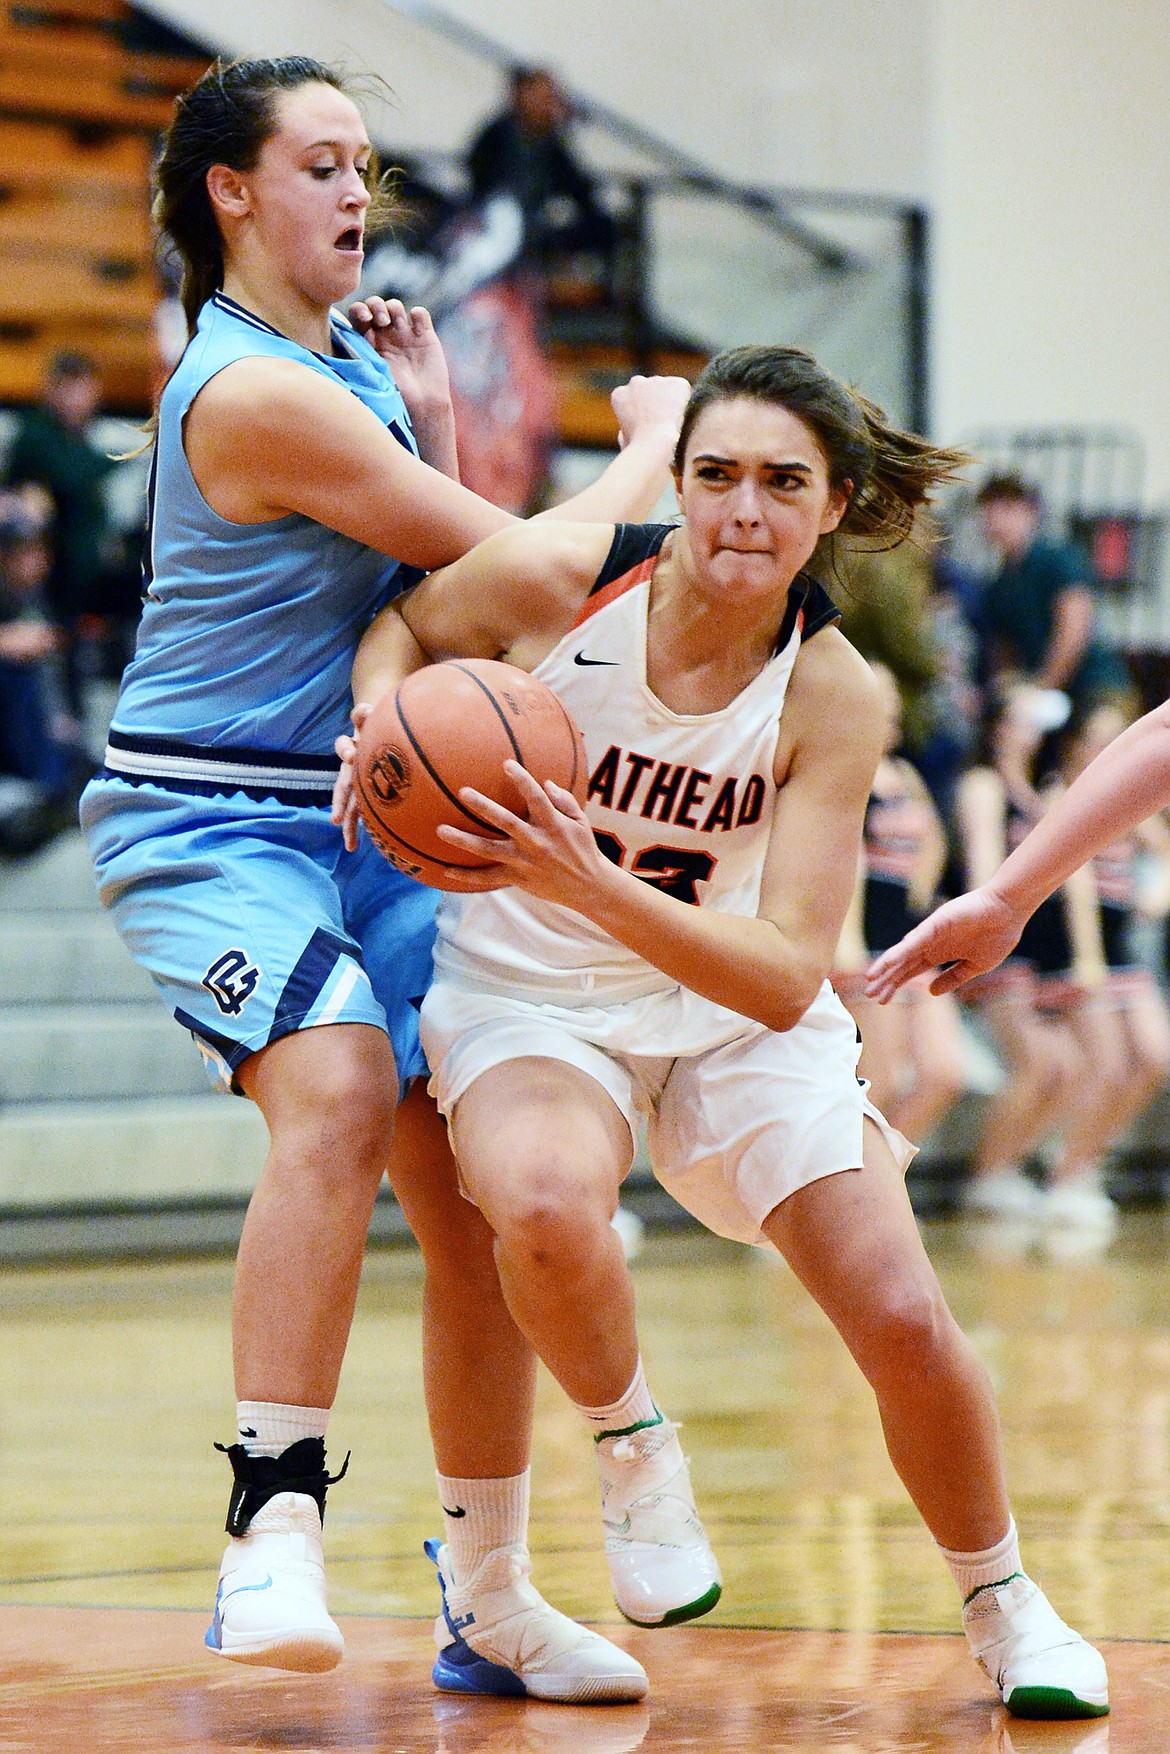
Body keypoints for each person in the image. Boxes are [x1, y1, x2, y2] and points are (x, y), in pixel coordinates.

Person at [336, 345, 1108, 1719]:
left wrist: (595, 878)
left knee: (899, 1312)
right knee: (537, 1196)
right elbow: (407, 625)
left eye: (780, 482)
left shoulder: (834, 691)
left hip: (731, 1013)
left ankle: (1002, 1602)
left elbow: (780, 975)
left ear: (832, 504)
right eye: (716, 475)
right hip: (530, 990)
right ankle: (633, 1449)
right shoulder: (565, 580)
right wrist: (373, 723)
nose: (743, 508)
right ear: (679, 482)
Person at [78, 54, 691, 1703]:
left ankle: (488, 1594)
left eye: (368, 166)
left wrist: (421, 418)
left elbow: (421, 601)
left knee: (477, 1176)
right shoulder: (256, 388)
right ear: (232, 192)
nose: (362, 194)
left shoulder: (344, 355)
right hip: (211, 818)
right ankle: (268, 1518)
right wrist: (654, 449)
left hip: (374, 813)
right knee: (340, 1086)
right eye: (324, 164)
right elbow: (529, 568)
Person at [865, 699, 1170, 1001]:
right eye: (1026, 720)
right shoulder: (989, 786)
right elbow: (1160, 735)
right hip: (1018, 944)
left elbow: (934, 846)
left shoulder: (1039, 794)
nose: (1036, 731)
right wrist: (1001, 901)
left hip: (1060, 935)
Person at [831, 661, 965, 1148]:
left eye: (893, 696)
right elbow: (840, 860)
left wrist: (922, 894)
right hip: (860, 937)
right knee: (878, 1081)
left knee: (943, 1072)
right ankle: (848, 1192)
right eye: (880, 693)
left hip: (905, 934)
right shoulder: (838, 767)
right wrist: (846, 943)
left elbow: (935, 839)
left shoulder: (905, 772)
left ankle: (880, 1179)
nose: (892, 706)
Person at [3, 350, 116, 718]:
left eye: (84, 390)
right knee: (48, 668)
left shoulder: (83, 440)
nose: (78, 400)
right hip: (41, 579)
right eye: (70, 390)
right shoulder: (36, 434)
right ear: (53, 390)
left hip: (82, 578)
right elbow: (70, 477)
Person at [972, 474, 1129, 710]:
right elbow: (1003, 652)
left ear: (1032, 511)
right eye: (990, 510)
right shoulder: (999, 585)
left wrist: (1043, 689)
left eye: (1008, 509)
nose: (997, 520)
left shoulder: (1059, 558)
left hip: (1095, 686)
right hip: (1041, 689)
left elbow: (1074, 630)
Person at [466, 65, 618, 294]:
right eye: (541, 97)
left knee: (601, 227)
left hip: (539, 222)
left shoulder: (551, 142)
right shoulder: (496, 136)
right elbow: (483, 184)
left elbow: (578, 187)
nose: (547, 105)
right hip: (502, 220)